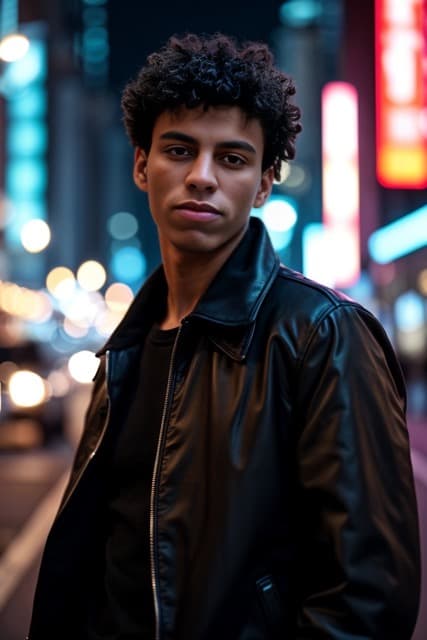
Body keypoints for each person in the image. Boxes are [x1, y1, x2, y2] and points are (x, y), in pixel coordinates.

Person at [28, 33, 420, 640]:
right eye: (179, 150)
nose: (202, 177)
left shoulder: (322, 334)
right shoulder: (125, 348)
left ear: (264, 184)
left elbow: (366, 597)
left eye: (233, 159)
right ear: (141, 164)